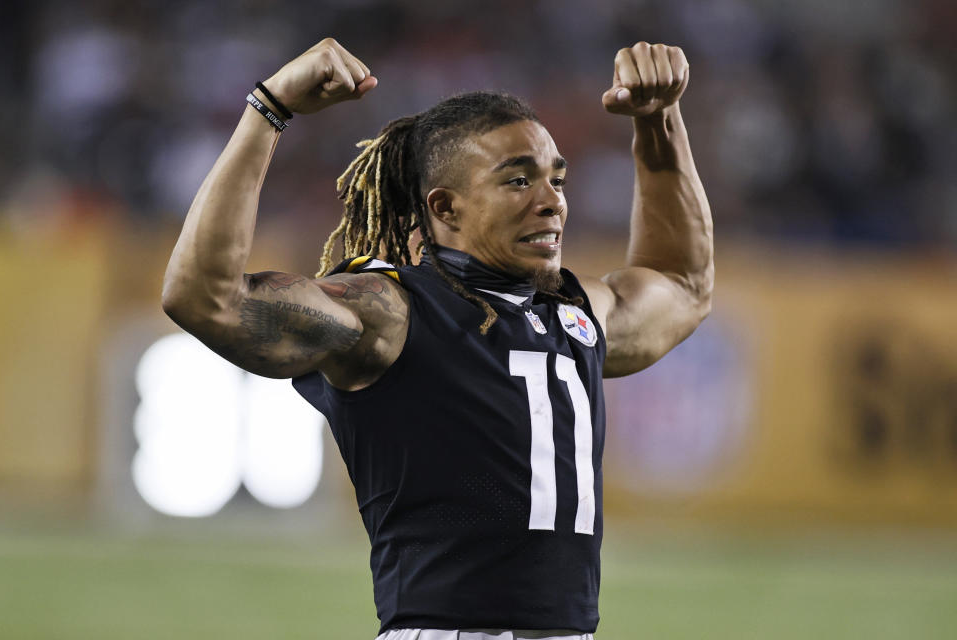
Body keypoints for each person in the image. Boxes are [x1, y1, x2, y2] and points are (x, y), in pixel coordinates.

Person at [162, 38, 713, 640]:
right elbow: (204, 298)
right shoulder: (391, 312)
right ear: (445, 207)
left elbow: (682, 284)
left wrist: (657, 121)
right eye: (517, 181)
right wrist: (267, 110)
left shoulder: (573, 313)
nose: (551, 200)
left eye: (556, 179)